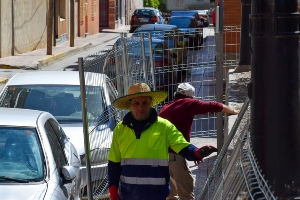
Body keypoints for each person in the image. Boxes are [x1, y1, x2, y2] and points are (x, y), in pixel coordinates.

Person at [107, 83, 218, 200]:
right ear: (130, 104)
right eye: (136, 103)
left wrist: (197, 153)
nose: (140, 107)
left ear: (150, 102)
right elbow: (114, 163)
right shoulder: (120, 129)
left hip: (158, 195)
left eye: (145, 102)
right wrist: (113, 192)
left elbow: (182, 146)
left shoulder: (164, 126)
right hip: (128, 196)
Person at [158, 82, 239, 200]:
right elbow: (214, 106)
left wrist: (192, 153)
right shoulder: (188, 103)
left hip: (161, 154)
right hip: (174, 154)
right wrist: (232, 111)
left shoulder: (166, 107)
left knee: (171, 194)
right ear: (191, 96)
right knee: (186, 191)